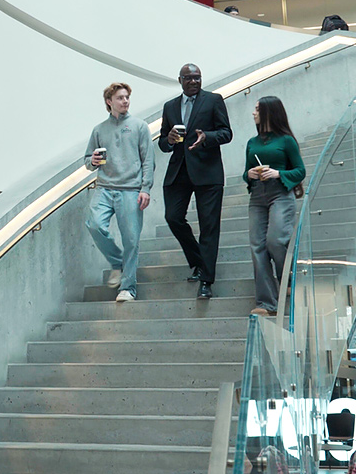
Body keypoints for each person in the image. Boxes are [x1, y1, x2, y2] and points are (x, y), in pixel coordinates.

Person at [158, 64, 232, 299]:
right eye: (189, 78)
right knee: (172, 217)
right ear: (180, 80)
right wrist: (169, 140)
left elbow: (226, 133)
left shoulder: (213, 100)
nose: (194, 82)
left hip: (207, 172)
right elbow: (162, 143)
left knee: (209, 226)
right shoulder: (170, 106)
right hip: (179, 172)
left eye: (197, 78)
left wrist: (207, 137)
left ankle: (206, 280)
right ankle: (198, 261)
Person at [84, 82, 154, 302]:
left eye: (127, 97)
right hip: (104, 187)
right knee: (94, 225)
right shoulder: (98, 130)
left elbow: (148, 161)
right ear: (109, 102)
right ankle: (118, 262)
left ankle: (128, 288)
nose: (125, 101)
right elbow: (87, 161)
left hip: (131, 190)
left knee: (131, 240)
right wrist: (92, 161)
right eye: (120, 98)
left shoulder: (140, 126)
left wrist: (146, 189)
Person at [243, 96, 305, 316]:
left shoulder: (286, 140)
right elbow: (246, 171)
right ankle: (266, 303)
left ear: (269, 112)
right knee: (257, 247)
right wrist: (248, 174)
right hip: (258, 195)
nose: (254, 113)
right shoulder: (252, 142)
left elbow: (300, 170)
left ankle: (287, 277)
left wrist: (278, 173)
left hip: (280, 193)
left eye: (258, 109)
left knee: (276, 241)